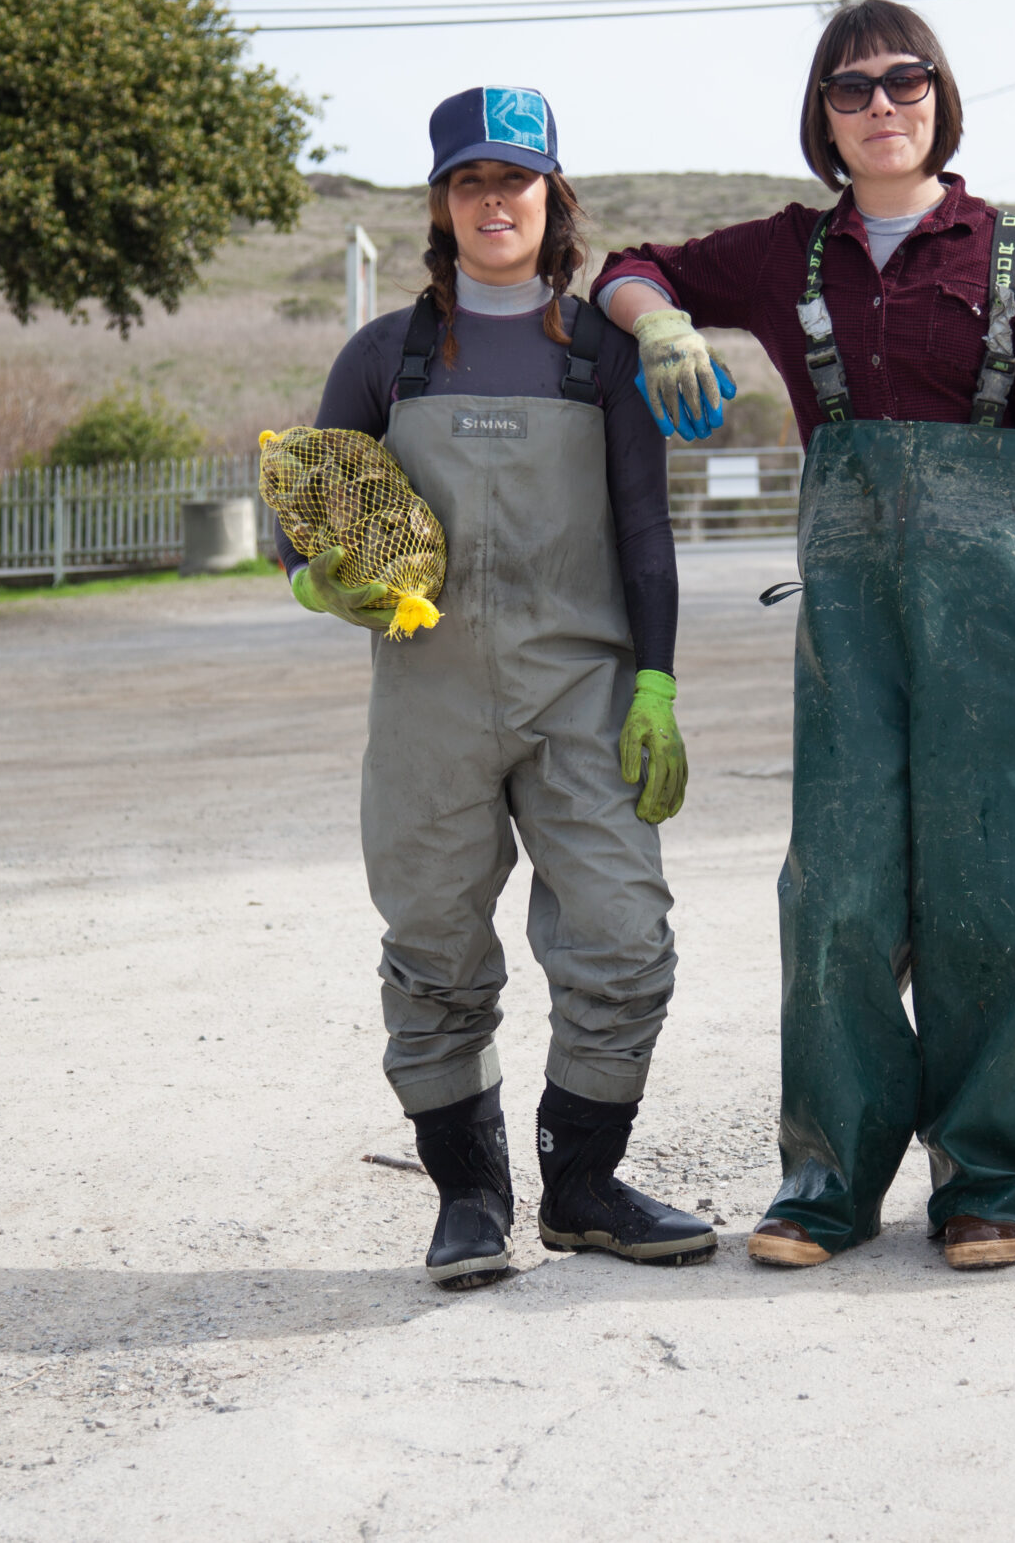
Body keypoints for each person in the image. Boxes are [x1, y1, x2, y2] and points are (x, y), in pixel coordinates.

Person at [595, 0, 1015, 1272]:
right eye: (850, 90)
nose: (881, 106)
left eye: (905, 81)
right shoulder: (787, 255)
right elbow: (631, 264)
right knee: (841, 896)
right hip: (857, 627)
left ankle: (989, 1181)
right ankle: (828, 1184)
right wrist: (664, 323)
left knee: (1009, 896)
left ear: (940, 98)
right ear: (824, 117)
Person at [281, 85, 714, 1289]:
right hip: (427, 696)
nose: (494, 201)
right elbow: (307, 526)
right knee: (432, 946)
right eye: (471, 181)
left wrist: (658, 687)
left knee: (624, 939)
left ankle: (582, 1187)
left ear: (551, 198)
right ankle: (468, 1201)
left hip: (584, 691)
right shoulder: (388, 357)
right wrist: (328, 586)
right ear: (441, 202)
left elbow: (644, 534)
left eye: (515, 180)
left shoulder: (603, 354)